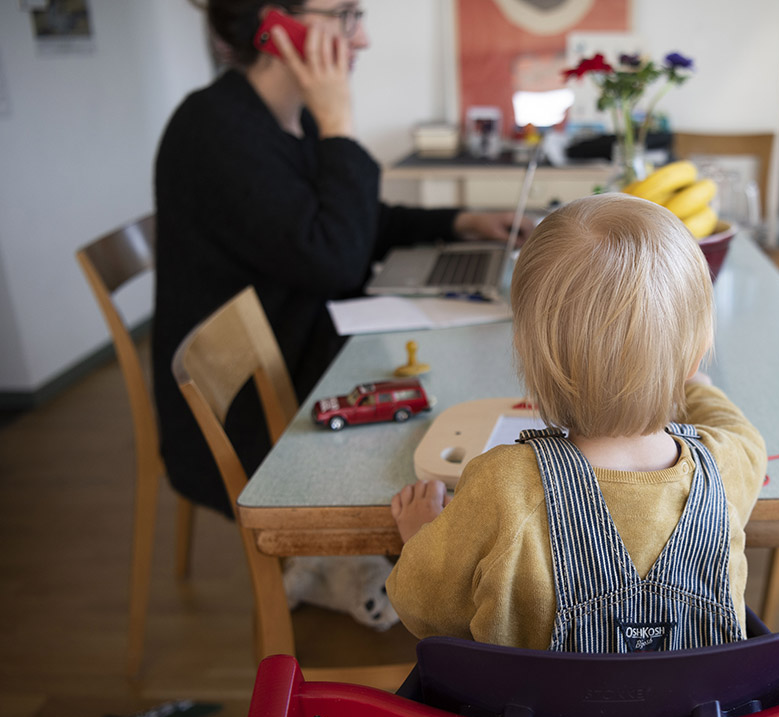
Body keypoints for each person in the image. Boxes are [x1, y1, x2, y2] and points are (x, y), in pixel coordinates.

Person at [153, 0, 529, 515]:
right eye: (345, 15)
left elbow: (353, 219)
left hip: (309, 354)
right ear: (274, 25)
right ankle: (371, 568)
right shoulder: (215, 131)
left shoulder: (286, 118)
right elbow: (336, 257)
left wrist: (459, 221)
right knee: (456, 417)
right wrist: (338, 122)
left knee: (472, 384)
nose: (363, 38)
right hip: (266, 410)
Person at [386, 193, 768, 653]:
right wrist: (697, 387)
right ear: (693, 357)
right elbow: (746, 436)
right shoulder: (725, 466)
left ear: (530, 361)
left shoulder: (502, 487)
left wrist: (418, 536)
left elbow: (425, 611)